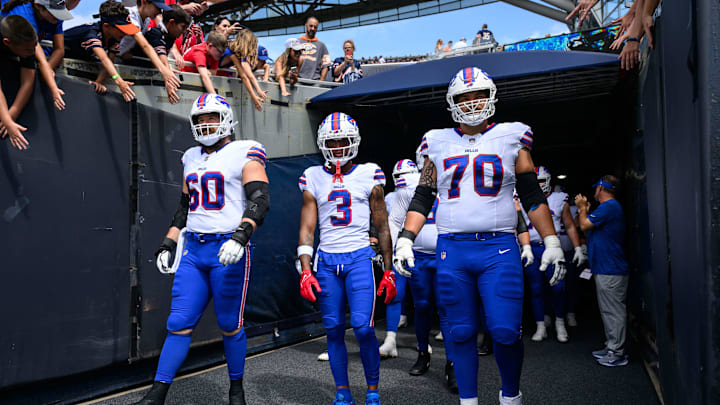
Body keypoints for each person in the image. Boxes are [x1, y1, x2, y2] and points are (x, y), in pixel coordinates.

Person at [394, 67, 566, 405]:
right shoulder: (437, 141)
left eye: (478, 96)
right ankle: (468, 401)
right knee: (459, 332)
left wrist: (552, 241)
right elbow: (423, 196)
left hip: (498, 246)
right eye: (463, 97)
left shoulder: (512, 136)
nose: (471, 103)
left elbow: (531, 194)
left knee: (504, 331)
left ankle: (511, 396)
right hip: (453, 249)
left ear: (491, 97)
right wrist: (405, 239)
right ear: (451, 102)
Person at [135, 93, 270, 405]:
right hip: (194, 250)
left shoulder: (244, 151)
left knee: (229, 323)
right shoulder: (191, 156)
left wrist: (241, 235)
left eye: (211, 117)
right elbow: (185, 206)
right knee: (178, 322)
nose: (205, 123)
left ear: (226, 119)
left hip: (228, 248)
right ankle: (158, 393)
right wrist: (169, 241)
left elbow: (260, 200)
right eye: (200, 119)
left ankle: (236, 391)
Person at [297, 112, 395, 405]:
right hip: (327, 262)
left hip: (359, 259)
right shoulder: (312, 177)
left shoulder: (370, 173)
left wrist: (389, 271)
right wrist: (305, 268)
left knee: (363, 327)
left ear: (354, 142)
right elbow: (307, 228)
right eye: (332, 142)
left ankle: (373, 389)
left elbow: (382, 225)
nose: (338, 147)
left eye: (343, 141)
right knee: (334, 328)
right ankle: (342, 391)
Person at [520, 166, 586, 343]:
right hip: (532, 247)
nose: (537, 184)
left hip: (553, 248)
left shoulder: (558, 199)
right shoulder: (521, 198)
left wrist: (577, 247)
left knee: (558, 287)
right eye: (535, 181)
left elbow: (570, 225)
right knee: (535, 289)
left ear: (548, 181)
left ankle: (559, 323)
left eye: (540, 180)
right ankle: (540, 325)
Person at [575, 175, 630, 367]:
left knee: (614, 311)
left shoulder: (610, 206)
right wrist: (585, 212)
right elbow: (587, 230)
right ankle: (611, 346)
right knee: (608, 311)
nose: (594, 192)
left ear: (601, 188)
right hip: (605, 267)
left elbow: (583, 225)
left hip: (611, 268)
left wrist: (582, 209)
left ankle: (618, 352)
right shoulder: (606, 209)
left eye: (596, 188)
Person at [377, 159, 417, 359]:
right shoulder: (393, 197)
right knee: (394, 292)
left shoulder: (433, 189)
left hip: (424, 250)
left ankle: (423, 340)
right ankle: (391, 338)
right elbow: (389, 223)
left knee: (427, 298)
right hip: (400, 248)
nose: (403, 180)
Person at [63, 0, 140, 102]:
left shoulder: (114, 38)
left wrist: (98, 82)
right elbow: (103, 58)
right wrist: (119, 81)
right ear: (106, 26)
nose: (125, 33)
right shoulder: (91, 33)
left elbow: (109, 61)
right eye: (121, 29)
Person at [113, 0, 181, 104]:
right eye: (157, 7)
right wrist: (164, 71)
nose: (159, 12)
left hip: (122, 58)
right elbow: (145, 45)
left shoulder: (146, 20)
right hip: (110, 58)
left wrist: (167, 69)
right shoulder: (131, 16)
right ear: (144, 2)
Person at [1, 0, 72, 70]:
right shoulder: (26, 16)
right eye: (55, 13)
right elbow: (39, 57)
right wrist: (46, 71)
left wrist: (49, 69)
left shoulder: (54, 18)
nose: (59, 17)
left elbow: (59, 49)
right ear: (38, 6)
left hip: (26, 52)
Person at [0, 14, 36, 150]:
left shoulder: (28, 43)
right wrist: (7, 122)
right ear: (7, 42)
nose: (32, 52)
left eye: (35, 46)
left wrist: (12, 113)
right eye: (28, 50)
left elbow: (28, 81)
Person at [226, 29, 267, 111]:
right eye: (252, 46)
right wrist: (254, 97)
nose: (253, 50)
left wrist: (257, 92)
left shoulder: (238, 55)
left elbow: (249, 76)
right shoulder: (231, 53)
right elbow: (245, 77)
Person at [143, 4, 190, 71]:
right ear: (172, 22)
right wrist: (167, 70)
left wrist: (168, 69)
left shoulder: (170, 37)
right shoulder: (155, 33)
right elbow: (162, 56)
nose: (184, 31)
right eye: (183, 27)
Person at [297, 15, 330, 81]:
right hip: (298, 81)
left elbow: (326, 65)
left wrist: (320, 83)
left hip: (315, 81)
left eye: (315, 27)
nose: (313, 28)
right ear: (306, 25)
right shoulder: (296, 42)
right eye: (311, 26)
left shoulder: (321, 45)